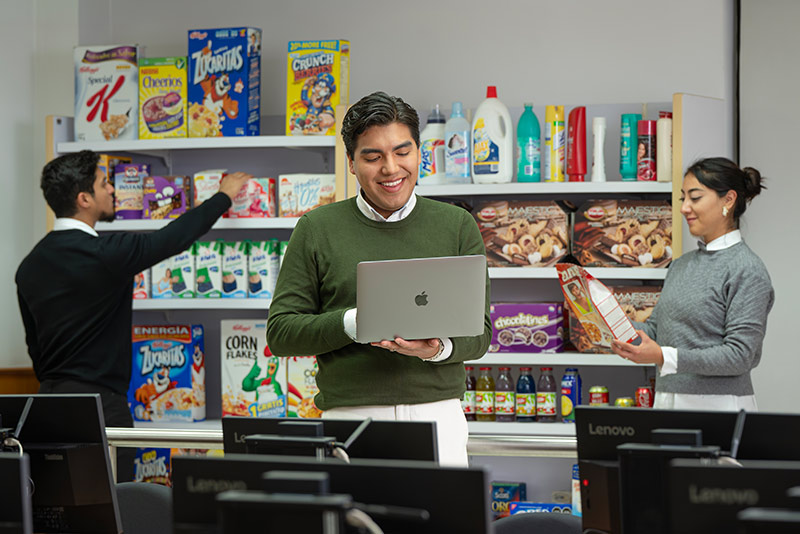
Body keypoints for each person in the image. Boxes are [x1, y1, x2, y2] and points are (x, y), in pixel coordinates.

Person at [266, 92, 492, 466]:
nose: (391, 168)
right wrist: (356, 322)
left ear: (419, 152)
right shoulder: (316, 228)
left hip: (439, 416)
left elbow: (480, 334)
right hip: (351, 420)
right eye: (373, 157)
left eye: (402, 152)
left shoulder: (456, 226)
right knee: (357, 525)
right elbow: (282, 332)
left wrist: (436, 348)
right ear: (352, 164)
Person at [16, 150, 250, 480]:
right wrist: (224, 195)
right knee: (113, 507)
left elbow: (35, 348)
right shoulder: (106, 255)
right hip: (100, 406)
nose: (112, 189)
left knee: (58, 509)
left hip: (46, 404)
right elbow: (172, 239)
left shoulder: (29, 266)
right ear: (84, 198)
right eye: (103, 183)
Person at [610, 157, 774, 411]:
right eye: (682, 198)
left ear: (728, 200)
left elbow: (740, 356)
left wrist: (665, 356)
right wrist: (608, 321)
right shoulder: (680, 265)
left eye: (695, 198)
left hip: (721, 409)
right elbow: (656, 331)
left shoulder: (747, 269)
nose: (684, 208)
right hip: (667, 400)